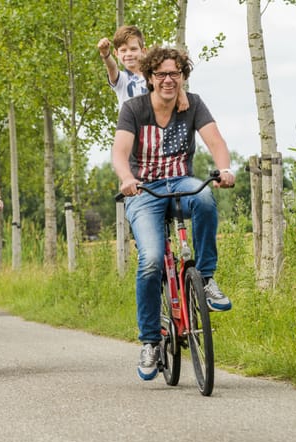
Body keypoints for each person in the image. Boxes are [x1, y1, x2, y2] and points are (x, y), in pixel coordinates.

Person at [111, 47, 235, 381]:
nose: (168, 80)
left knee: (206, 197)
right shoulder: (134, 108)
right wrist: (126, 178)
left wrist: (223, 168)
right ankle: (151, 341)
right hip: (144, 190)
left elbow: (216, 141)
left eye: (175, 74)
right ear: (150, 78)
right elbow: (120, 152)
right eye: (161, 74)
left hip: (181, 183)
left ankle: (205, 279)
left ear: (182, 76)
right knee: (151, 260)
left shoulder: (192, 103)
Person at [97, 25, 188, 112]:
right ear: (116, 54)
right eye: (123, 50)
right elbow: (112, 67)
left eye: (133, 49)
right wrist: (105, 54)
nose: (128, 54)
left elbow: (170, 82)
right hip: (129, 126)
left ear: (143, 51)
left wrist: (181, 92)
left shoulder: (154, 76)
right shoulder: (121, 79)